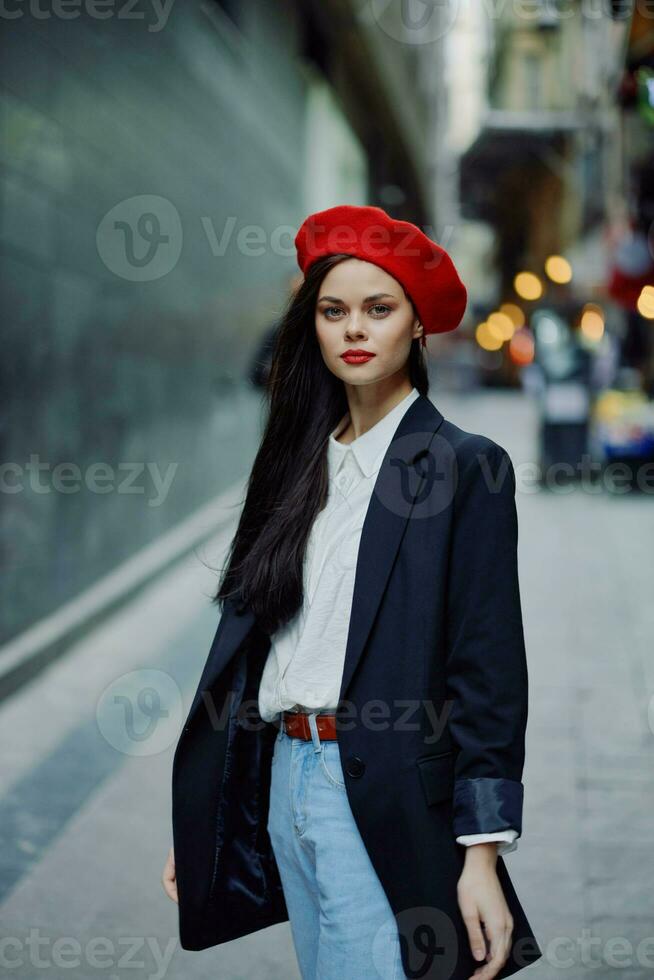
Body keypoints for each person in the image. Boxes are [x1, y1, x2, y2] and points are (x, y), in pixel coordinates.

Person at [163, 204, 543, 980]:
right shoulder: (295, 461)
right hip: (282, 782)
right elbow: (252, 649)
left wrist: (482, 853)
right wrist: (209, 813)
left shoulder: (464, 466)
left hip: (378, 794)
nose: (353, 330)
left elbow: (488, 668)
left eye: (379, 308)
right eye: (334, 311)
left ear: (416, 327)